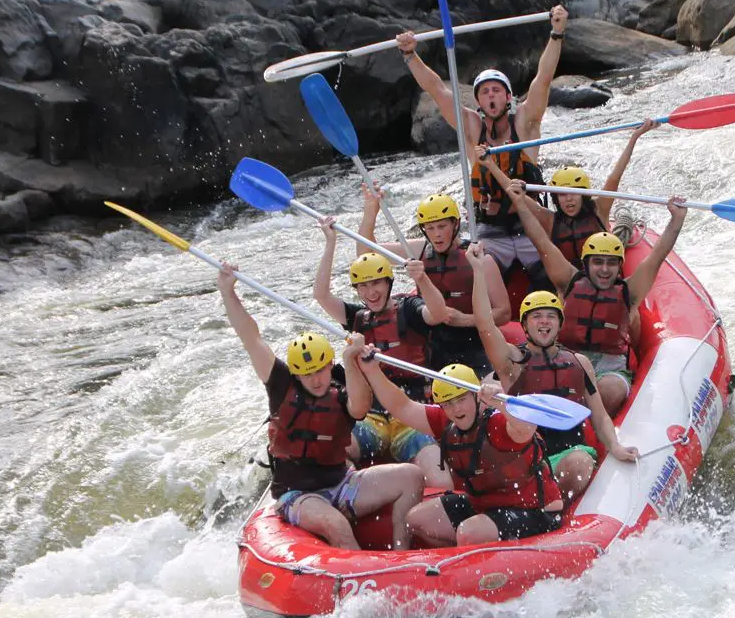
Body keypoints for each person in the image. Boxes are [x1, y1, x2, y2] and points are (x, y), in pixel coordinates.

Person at [217, 264, 423, 550]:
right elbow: (251, 338)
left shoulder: (340, 387)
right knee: (335, 523)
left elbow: (359, 409)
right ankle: (361, 573)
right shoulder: (280, 385)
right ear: (296, 373)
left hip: (342, 483)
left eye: (320, 371)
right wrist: (228, 292)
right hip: (297, 495)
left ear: (330, 365)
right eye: (307, 374)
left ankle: (402, 555)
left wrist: (351, 360)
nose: (315, 380)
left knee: (411, 476)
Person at [490, 167, 688, 416]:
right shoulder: (568, 281)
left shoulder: (630, 291)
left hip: (609, 366)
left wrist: (677, 219)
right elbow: (541, 241)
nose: (604, 269)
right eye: (597, 262)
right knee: (503, 376)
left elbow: (657, 256)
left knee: (611, 390)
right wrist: (519, 203)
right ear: (586, 263)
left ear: (619, 266)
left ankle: (583, 420)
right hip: (565, 358)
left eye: (611, 263)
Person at [395, 6, 569, 281]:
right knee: (479, 274)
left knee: (551, 276)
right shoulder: (471, 127)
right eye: (485, 92)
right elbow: (436, 89)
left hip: (529, 224)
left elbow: (543, 79)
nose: (491, 96)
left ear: (508, 98)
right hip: (491, 230)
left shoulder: (525, 123)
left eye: (496, 91)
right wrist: (409, 55)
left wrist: (557, 33)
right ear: (477, 101)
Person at [465, 242, 639, 502]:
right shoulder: (512, 361)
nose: (544, 321)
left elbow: (600, 415)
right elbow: (484, 324)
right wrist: (478, 271)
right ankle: (535, 501)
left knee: (580, 463)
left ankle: (549, 502)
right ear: (525, 325)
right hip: (525, 457)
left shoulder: (579, 362)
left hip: (569, 453)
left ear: (560, 323)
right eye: (536, 316)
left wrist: (615, 446)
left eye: (551, 316)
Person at [353, 352, 564, 547]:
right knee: (416, 519)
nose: (456, 409)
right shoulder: (446, 423)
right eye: (448, 403)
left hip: (535, 511)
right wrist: (372, 370)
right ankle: (460, 561)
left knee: (468, 532)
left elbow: (527, 428)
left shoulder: (499, 422)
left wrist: (502, 403)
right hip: (486, 508)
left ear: (476, 396)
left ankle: (476, 558)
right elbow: (402, 407)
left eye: (462, 400)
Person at [311, 215, 451, 488]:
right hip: (372, 417)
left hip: (411, 414)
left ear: (389, 283)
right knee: (330, 452)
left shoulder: (409, 309)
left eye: (376, 283)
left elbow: (438, 313)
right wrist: (330, 242)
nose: (370, 292)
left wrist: (422, 279)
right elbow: (321, 296)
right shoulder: (357, 318)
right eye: (363, 286)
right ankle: (349, 495)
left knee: (440, 479)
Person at [356, 186, 510, 376]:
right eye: (430, 228)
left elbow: (504, 313)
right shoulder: (418, 250)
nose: (436, 234)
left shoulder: (480, 258)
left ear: (455, 225)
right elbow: (366, 254)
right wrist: (370, 212)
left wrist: (465, 320)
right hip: (432, 342)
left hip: (475, 339)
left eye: (442, 226)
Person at [536, 120, 659, 266]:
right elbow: (520, 199)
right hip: (569, 276)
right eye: (562, 194)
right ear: (556, 199)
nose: (569, 199)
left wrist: (635, 137)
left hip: (602, 274)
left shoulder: (600, 208)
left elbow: (615, 176)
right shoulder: (550, 219)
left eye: (575, 193)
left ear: (584, 195)